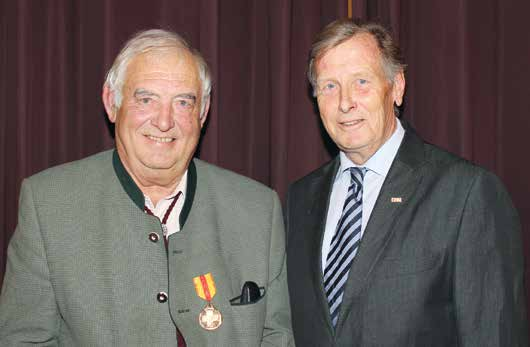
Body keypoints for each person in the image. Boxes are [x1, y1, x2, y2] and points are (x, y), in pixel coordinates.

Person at [0, 29, 293, 346]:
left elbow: (276, 337)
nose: (164, 121)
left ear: (203, 113)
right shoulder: (49, 205)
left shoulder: (258, 210)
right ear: (112, 104)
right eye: (146, 99)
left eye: (183, 102)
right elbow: (23, 340)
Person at [286, 19, 528, 346]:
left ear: (397, 87)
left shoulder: (466, 194)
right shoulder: (299, 200)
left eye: (361, 81)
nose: (345, 103)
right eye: (330, 86)